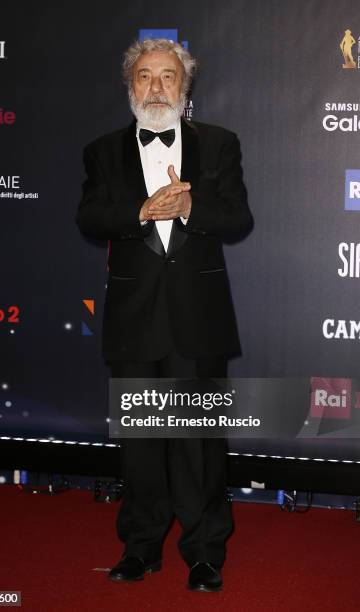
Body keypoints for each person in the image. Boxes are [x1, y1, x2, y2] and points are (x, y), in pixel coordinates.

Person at [76, 38, 253, 592]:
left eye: (168, 77)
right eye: (146, 76)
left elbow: (237, 217)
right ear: (130, 86)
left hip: (198, 317)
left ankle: (204, 554)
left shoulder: (221, 145)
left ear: (185, 87)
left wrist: (192, 205)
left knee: (199, 445)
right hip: (134, 318)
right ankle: (140, 548)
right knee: (142, 446)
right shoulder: (102, 151)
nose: (156, 87)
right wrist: (140, 211)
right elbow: (90, 216)